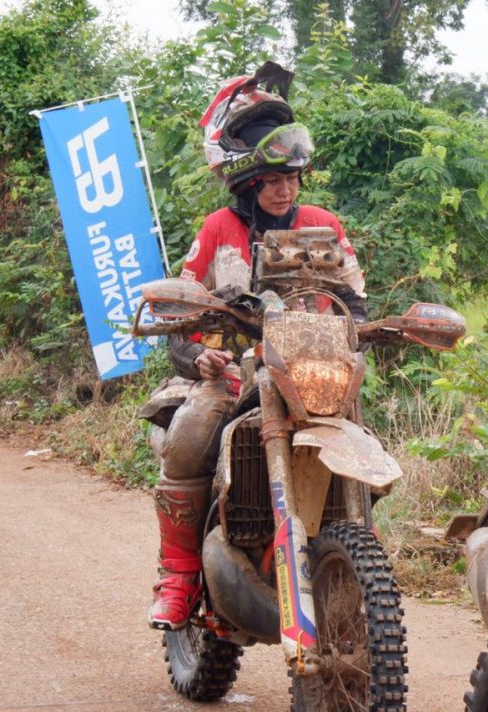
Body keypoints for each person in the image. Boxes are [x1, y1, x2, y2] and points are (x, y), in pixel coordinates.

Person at [147, 61, 368, 630]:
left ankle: (352, 559)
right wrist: (198, 355)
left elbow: (355, 299)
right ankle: (177, 578)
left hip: (311, 373)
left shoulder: (323, 225)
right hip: (232, 374)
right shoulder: (217, 228)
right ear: (246, 183)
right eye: (270, 180)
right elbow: (181, 316)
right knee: (189, 439)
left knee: (367, 442)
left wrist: (367, 331)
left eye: (290, 177)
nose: (283, 189)